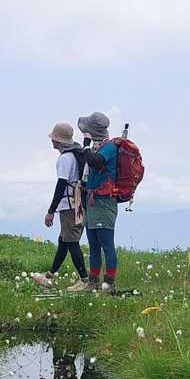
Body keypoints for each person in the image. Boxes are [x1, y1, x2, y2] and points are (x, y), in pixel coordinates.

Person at [30, 122, 87, 290]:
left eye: (53, 138)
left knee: (72, 242)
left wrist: (51, 211)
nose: (52, 140)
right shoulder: (76, 154)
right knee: (64, 241)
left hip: (68, 205)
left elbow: (61, 185)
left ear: (58, 140)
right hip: (78, 204)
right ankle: (49, 276)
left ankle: (85, 280)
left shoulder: (65, 159)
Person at [76, 111, 121, 291]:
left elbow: (97, 162)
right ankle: (94, 281)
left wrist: (86, 147)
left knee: (106, 243)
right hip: (93, 201)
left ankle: (109, 282)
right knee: (94, 243)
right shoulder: (99, 146)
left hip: (104, 202)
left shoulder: (109, 148)